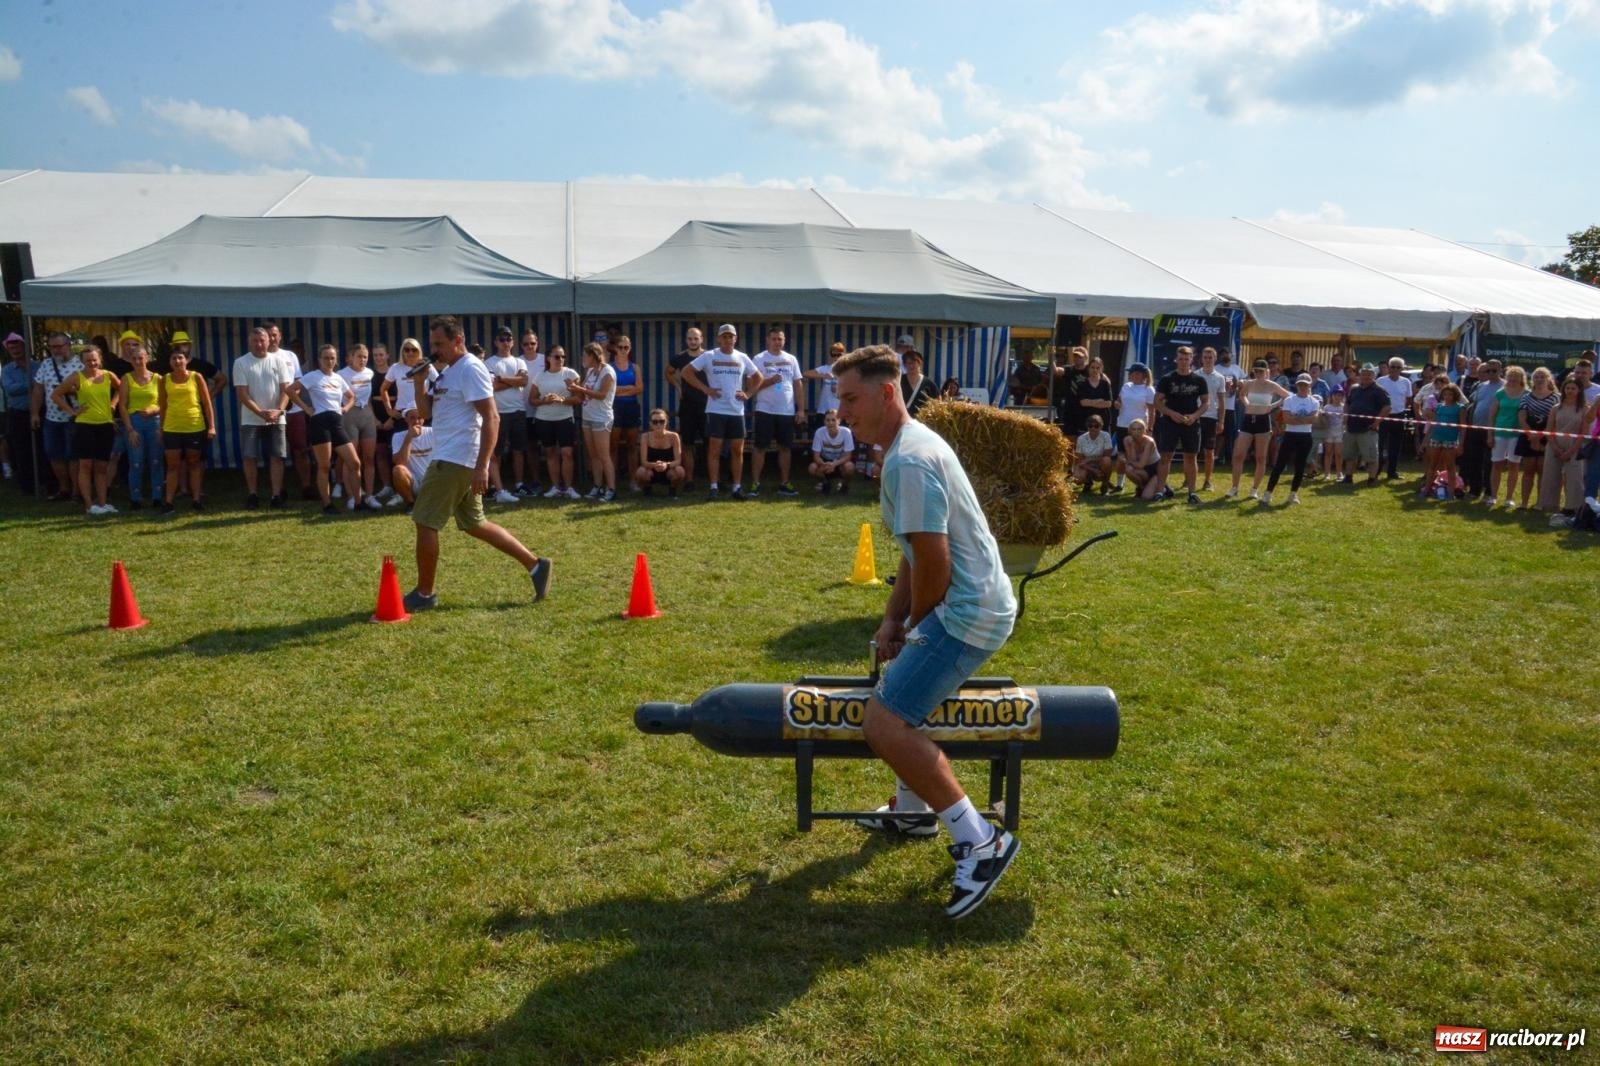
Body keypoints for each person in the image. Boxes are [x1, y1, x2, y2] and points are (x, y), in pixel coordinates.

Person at [833, 344, 1020, 919]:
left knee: (883, 722)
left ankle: (980, 841)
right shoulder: (909, 449)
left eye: (850, 398)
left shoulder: (908, 460)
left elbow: (934, 563)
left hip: (970, 613)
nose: (841, 413)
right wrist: (893, 618)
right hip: (972, 604)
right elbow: (914, 553)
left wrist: (915, 628)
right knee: (899, 692)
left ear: (887, 393)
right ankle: (913, 810)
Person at [405, 316, 551, 610]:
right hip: (452, 456)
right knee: (475, 523)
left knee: (424, 521)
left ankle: (424, 593)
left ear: (457, 340)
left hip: (455, 459)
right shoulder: (448, 371)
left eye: (439, 344)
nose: (434, 351)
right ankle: (536, 565)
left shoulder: (470, 369)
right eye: (432, 344)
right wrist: (420, 383)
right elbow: (426, 413)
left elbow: (492, 417)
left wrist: (484, 465)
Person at [682, 324, 761, 499]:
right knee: (714, 450)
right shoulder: (709, 355)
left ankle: (736, 487)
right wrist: (705, 389)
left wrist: (748, 393)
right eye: (724, 336)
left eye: (730, 336)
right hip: (716, 410)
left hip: (736, 411)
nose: (727, 340)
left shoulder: (742, 357)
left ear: (735, 338)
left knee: (737, 451)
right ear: (719, 339)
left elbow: (758, 377)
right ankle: (713, 487)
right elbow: (686, 372)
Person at [291, 344, 372, 514]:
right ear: (319, 360)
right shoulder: (312, 376)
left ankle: (359, 503)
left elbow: (351, 396)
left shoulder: (337, 378)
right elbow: (290, 390)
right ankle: (327, 504)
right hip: (320, 423)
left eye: (332, 358)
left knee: (355, 462)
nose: (329, 361)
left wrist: (345, 408)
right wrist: (306, 408)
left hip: (337, 423)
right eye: (326, 358)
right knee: (325, 466)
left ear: (336, 360)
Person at [51, 346, 120, 514]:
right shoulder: (77, 377)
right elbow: (56, 394)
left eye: (94, 359)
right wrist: (72, 411)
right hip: (84, 426)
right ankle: (89, 505)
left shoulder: (108, 375)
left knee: (102, 467)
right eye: (88, 360)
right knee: (86, 466)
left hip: (105, 425)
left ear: (100, 360)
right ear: (82, 361)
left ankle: (102, 504)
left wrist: (113, 404)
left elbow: (121, 389)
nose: (92, 363)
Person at [233, 326, 294, 508]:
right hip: (251, 419)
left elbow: (286, 390)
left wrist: (278, 410)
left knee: (277, 456)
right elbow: (242, 394)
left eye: (262, 340)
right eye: (255, 341)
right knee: (250, 457)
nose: (259, 344)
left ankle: (276, 495)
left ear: (269, 341)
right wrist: (261, 412)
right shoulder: (241, 363)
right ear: (249, 342)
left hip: (277, 417)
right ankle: (253, 494)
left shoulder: (279, 361)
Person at [157, 346, 216, 515]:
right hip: (172, 428)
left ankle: (196, 500)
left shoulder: (196, 377)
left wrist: (211, 426)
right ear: (169, 362)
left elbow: (206, 403)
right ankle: (168, 503)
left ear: (187, 360)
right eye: (174, 358)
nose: (177, 361)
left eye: (180, 358)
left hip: (194, 426)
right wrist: (161, 428)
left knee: (194, 463)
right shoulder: (165, 379)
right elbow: (163, 405)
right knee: (172, 466)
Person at [749, 328, 806, 496]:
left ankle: (784, 483)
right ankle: (755, 484)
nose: (777, 342)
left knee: (785, 447)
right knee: (760, 447)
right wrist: (770, 381)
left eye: (780, 339)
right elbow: (751, 386)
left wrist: (801, 409)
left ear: (784, 340)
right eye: (774, 339)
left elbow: (798, 384)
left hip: (786, 411)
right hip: (765, 409)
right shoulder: (759, 359)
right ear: (767, 340)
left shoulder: (791, 359)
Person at [1152, 345, 1210, 504]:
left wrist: (1194, 416)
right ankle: (1160, 491)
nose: (1184, 362)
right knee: (1166, 456)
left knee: (1191, 457)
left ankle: (1191, 493)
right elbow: (1157, 401)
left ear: (1192, 359)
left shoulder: (1199, 380)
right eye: (1181, 359)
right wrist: (1171, 413)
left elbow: (1206, 403)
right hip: (1170, 422)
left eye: (1187, 358)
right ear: (1176, 359)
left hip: (1191, 422)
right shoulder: (1167, 379)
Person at [1226, 360, 1288, 499]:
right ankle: (1234, 487)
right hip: (1248, 420)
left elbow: (1287, 395)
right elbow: (1242, 395)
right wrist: (1247, 403)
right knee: (1238, 455)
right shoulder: (1249, 383)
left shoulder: (1272, 385)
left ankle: (1254, 489)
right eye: (1257, 371)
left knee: (1261, 457)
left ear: (1267, 372)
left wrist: (1273, 406)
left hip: (1263, 421)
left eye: (1262, 371)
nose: (1259, 373)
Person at [32, 331, 83, 500]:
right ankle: (64, 489)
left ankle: (77, 491)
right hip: (51, 418)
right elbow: (38, 389)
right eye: (53, 347)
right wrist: (34, 413)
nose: (56, 350)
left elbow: (90, 391)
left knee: (73, 456)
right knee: (54, 454)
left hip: (74, 418)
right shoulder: (46, 364)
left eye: (60, 346)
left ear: (69, 345)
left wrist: (69, 391)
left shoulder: (81, 365)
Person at [340, 343, 392, 507]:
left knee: (369, 458)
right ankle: (351, 496)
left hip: (367, 415)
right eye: (359, 356)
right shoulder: (341, 374)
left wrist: (375, 417)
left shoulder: (370, 373)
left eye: (365, 357)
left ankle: (369, 495)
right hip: (350, 415)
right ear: (351, 358)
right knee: (352, 459)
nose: (362, 360)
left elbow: (370, 398)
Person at [483, 325, 530, 504]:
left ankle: (519, 483)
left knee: (519, 449)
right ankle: (496, 486)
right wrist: (513, 381)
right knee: (497, 451)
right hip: (499, 411)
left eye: (508, 339)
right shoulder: (489, 362)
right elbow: (493, 386)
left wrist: (502, 378)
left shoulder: (519, 361)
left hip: (518, 410)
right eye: (502, 339)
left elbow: (524, 381)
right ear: (496, 342)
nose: (505, 342)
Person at [529, 345, 581, 499]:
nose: (561, 360)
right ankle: (556, 487)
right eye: (557, 356)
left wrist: (562, 399)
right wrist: (544, 401)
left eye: (563, 356)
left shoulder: (571, 374)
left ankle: (569, 487)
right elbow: (532, 400)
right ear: (548, 358)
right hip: (544, 419)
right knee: (550, 453)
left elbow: (579, 398)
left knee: (567, 453)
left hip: (565, 418)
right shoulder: (540, 376)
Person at [567, 342, 618, 501]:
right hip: (588, 415)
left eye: (584, 355)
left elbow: (602, 395)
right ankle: (597, 486)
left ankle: (611, 489)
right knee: (593, 455)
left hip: (601, 417)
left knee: (604, 455)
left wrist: (579, 389)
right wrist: (571, 388)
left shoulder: (608, 371)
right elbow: (582, 393)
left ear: (592, 356)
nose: (582, 358)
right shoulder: (589, 371)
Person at [118, 346, 165, 510]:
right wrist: (129, 429)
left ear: (147, 358)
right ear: (130, 360)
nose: (138, 361)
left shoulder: (158, 378)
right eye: (134, 359)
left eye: (141, 358)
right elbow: (122, 405)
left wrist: (155, 410)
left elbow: (165, 403)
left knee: (156, 460)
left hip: (154, 421)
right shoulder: (126, 378)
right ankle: (135, 498)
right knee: (136, 461)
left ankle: (157, 497)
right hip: (135, 421)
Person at [1262, 375, 1320, 505]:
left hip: (1305, 436)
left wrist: (1296, 418)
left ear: (1309, 386)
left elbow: (1314, 419)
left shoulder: (1314, 402)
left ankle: (1293, 494)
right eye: (1300, 384)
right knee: (1279, 465)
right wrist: (1304, 418)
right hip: (1290, 435)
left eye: (1305, 385)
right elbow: (1287, 419)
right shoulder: (1289, 400)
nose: (1302, 387)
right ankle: (1268, 493)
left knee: (1299, 467)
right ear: (1297, 385)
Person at [665, 326, 708, 489]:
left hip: (707, 406)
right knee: (688, 444)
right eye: (690, 339)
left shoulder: (708, 356)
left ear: (701, 339)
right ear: (686, 340)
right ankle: (689, 480)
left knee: (710, 443)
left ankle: (714, 481)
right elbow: (668, 372)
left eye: (696, 338)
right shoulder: (679, 358)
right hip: (687, 406)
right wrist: (677, 386)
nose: (693, 341)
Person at [1540, 375, 1587, 515]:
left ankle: (1574, 507)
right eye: (1567, 388)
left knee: (1575, 478)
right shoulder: (1555, 408)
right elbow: (1548, 429)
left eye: (1573, 388)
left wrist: (1570, 451)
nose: (1570, 391)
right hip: (1555, 444)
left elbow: (1583, 433)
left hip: (1575, 446)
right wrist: (1555, 447)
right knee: (1551, 475)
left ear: (1579, 390)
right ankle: (1550, 505)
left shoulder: (1585, 409)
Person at [1513, 366, 1557, 511]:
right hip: (1528, 437)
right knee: (1528, 472)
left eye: (1542, 376)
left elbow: (1555, 421)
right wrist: (1531, 436)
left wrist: (1541, 436)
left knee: (1543, 473)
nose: (1539, 379)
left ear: (1548, 379)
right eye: (1536, 377)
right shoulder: (1526, 397)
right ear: (1532, 380)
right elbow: (1522, 418)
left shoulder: (1556, 397)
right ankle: (1524, 503)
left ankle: (1540, 503)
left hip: (1547, 437)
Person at [1486, 365, 1528, 508]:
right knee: (1496, 464)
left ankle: (1509, 497)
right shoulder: (1500, 393)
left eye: (1516, 378)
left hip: (1516, 435)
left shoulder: (1527, 394)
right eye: (1510, 377)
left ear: (1521, 379)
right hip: (1499, 433)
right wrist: (1490, 434)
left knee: (1513, 465)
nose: (1513, 380)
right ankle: (1493, 496)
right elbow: (1491, 416)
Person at [1342, 365, 1390, 485]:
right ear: (1360, 375)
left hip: (1368, 429)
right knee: (1350, 455)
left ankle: (1372, 479)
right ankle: (1348, 477)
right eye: (1364, 373)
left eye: (1369, 374)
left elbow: (1387, 407)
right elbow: (1347, 403)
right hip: (1351, 427)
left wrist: (1377, 422)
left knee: (1371, 456)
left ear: (1374, 376)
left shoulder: (1379, 390)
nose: (1366, 376)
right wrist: (1346, 417)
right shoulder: (1354, 389)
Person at [1419, 382, 1467, 501]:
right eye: (1445, 394)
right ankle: (1426, 489)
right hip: (1436, 438)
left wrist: (1460, 444)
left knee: (1450, 467)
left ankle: (1451, 493)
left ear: (1455, 395)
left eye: (1450, 394)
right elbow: (1433, 425)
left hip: (1450, 440)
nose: (1447, 397)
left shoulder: (1460, 408)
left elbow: (1462, 427)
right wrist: (1425, 441)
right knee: (1432, 465)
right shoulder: (1439, 407)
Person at [1462, 360, 1502, 500]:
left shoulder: (1504, 387)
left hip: (1493, 429)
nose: (1490, 374)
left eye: (1493, 371)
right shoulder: (1479, 386)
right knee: (1474, 460)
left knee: (1490, 462)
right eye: (1487, 371)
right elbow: (1473, 404)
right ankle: (1474, 490)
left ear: (1500, 371)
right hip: (1475, 427)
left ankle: (1489, 492)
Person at [1112, 363, 1155, 491]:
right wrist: (1117, 403)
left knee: (1139, 456)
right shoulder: (1126, 386)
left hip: (1139, 428)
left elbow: (1152, 411)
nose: (1133, 375)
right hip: (1123, 425)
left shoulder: (1148, 389)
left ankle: (1140, 483)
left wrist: (1150, 428)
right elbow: (1119, 400)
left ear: (1143, 375)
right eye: (1132, 373)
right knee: (1121, 455)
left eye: (1136, 373)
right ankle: (1119, 484)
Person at [3, 333, 37, 493]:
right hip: (18, 414)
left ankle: (44, 481)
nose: (15, 350)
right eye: (11, 348)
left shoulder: (37, 366)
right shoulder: (8, 370)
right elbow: (11, 389)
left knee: (40, 447)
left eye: (17, 347)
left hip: (38, 412)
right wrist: (32, 383)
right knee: (20, 449)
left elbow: (43, 384)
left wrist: (29, 385)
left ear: (24, 347)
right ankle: (26, 485)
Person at [367, 344, 400, 505]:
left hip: (394, 415)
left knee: (396, 453)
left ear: (387, 355)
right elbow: (368, 399)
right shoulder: (370, 375)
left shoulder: (394, 373)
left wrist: (392, 419)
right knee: (379, 452)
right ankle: (387, 486)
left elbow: (402, 396)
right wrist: (374, 419)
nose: (378, 358)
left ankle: (399, 487)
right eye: (375, 355)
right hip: (377, 416)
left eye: (381, 355)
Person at [610, 335, 644, 493]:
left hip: (631, 408)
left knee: (632, 446)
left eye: (627, 347)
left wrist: (620, 390)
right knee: (613, 446)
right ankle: (612, 481)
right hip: (614, 408)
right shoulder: (609, 367)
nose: (623, 350)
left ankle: (633, 481)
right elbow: (610, 390)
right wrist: (628, 389)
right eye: (621, 347)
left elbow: (639, 388)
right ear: (615, 348)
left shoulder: (634, 367)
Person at [1375, 357, 1414, 480]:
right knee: (1379, 444)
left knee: (1395, 445)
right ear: (1389, 367)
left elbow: (1408, 399)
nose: (1395, 369)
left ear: (1401, 369)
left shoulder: (1406, 382)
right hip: (1383, 416)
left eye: (1398, 367)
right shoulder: (1380, 381)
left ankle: (1392, 471)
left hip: (1399, 415)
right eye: (1393, 367)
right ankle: (1376, 469)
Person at [383, 337, 437, 426]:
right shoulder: (395, 367)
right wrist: (389, 410)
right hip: (402, 413)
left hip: (422, 411)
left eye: (414, 350)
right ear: (402, 352)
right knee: (402, 439)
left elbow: (439, 383)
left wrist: (429, 397)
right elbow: (384, 389)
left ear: (419, 351)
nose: (410, 353)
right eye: (407, 350)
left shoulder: (426, 366)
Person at [518, 330, 547, 492]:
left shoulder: (546, 360)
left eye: (532, 343)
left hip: (546, 410)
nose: (529, 346)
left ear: (537, 344)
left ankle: (558, 481)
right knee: (531, 447)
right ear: (521, 346)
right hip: (525, 410)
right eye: (526, 344)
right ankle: (536, 479)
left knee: (551, 447)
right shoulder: (518, 361)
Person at [632, 407, 685, 497]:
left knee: (680, 471)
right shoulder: (645, 437)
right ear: (650, 424)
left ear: (666, 422)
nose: (658, 424)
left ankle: (672, 491)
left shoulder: (674, 436)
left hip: (669, 469)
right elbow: (643, 462)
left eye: (662, 421)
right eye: (655, 422)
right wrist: (655, 465)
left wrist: (666, 465)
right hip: (651, 469)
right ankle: (647, 490)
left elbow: (678, 460)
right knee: (640, 472)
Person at [1196, 347, 1226, 491]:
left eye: (1210, 357)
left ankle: (1207, 481)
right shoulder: (1195, 375)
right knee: (1192, 451)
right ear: (1201, 359)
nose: (1207, 360)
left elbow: (1222, 401)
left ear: (1215, 359)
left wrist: (1221, 421)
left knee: (1209, 451)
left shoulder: (1220, 378)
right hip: (1195, 416)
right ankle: (1187, 480)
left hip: (1211, 417)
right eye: (1205, 357)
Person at [808, 407, 856, 493]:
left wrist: (834, 464)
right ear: (824, 421)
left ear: (839, 421)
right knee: (812, 468)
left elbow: (848, 456)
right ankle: (825, 483)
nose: (830, 423)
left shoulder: (846, 432)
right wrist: (824, 464)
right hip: (825, 461)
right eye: (828, 420)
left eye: (833, 420)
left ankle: (844, 485)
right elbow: (816, 456)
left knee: (850, 467)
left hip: (840, 462)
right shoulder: (819, 432)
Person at [804, 340, 846, 430]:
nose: (836, 357)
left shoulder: (847, 371)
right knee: (821, 434)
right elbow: (806, 373)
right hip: (824, 410)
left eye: (839, 355)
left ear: (844, 355)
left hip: (841, 410)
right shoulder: (826, 368)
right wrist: (823, 375)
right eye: (833, 355)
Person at [1118, 419, 1162, 500]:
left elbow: (1141, 465)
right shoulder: (1127, 440)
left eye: (1139, 429)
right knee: (1128, 470)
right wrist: (1132, 446)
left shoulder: (1149, 442)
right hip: (1142, 470)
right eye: (1134, 429)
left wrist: (1126, 461)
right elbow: (1133, 460)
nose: (1136, 432)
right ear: (1130, 431)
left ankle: (1162, 487)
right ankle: (1142, 487)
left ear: (1144, 430)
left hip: (1155, 469)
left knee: (1146, 497)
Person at [1073, 414, 1115, 493]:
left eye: (1096, 426)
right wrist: (1093, 470)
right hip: (1087, 465)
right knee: (1077, 479)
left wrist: (1090, 459)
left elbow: (1107, 456)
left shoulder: (1106, 436)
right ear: (1087, 426)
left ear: (1101, 426)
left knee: (1107, 460)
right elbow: (1079, 461)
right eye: (1090, 426)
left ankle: (1104, 485)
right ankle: (1088, 482)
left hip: (1100, 464)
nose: (1093, 428)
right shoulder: (1081, 439)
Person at [899, 348, 939, 420]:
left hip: (923, 421)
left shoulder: (929, 384)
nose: (911, 366)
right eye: (909, 363)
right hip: (903, 420)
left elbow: (937, 404)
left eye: (914, 363)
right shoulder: (899, 381)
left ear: (920, 363)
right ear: (905, 365)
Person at [1318, 388, 1346, 480]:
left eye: (1340, 395)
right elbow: (1323, 419)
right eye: (1336, 395)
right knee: (1328, 453)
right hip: (1329, 432)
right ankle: (1327, 473)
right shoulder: (1327, 407)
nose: (1338, 397)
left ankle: (1339, 472)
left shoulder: (1344, 407)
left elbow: (1345, 420)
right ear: (1332, 396)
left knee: (1339, 453)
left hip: (1340, 432)